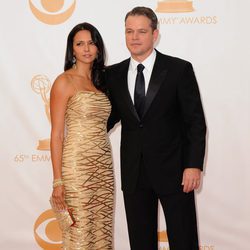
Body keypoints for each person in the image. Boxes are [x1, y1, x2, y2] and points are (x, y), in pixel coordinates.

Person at [106, 6, 206, 250]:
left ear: (155, 34)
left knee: (183, 240)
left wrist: (193, 165)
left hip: (175, 171)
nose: (134, 37)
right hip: (134, 172)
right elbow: (106, 119)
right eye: (129, 31)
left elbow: (195, 121)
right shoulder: (112, 74)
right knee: (140, 242)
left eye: (141, 31)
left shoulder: (178, 69)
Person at [50, 22, 114, 249]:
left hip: (103, 168)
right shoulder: (63, 82)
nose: (86, 48)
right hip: (77, 168)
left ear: (98, 48)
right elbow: (57, 135)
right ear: (72, 49)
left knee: (101, 231)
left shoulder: (102, 82)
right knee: (79, 232)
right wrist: (58, 181)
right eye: (80, 44)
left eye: (91, 43)